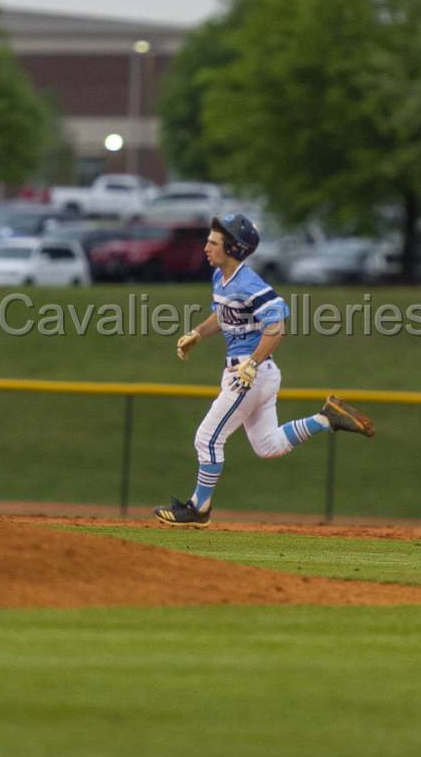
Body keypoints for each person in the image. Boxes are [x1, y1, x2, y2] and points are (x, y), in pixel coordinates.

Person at [155, 213, 375, 527]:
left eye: (213, 242)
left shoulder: (249, 283)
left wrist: (252, 363)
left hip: (249, 374)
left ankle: (198, 508)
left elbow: (277, 327)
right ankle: (326, 418)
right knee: (268, 446)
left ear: (233, 249)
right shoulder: (221, 278)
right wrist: (197, 334)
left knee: (207, 439)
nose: (206, 247)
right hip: (256, 373)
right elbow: (223, 313)